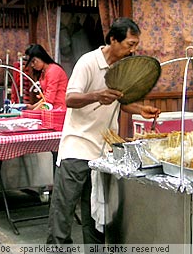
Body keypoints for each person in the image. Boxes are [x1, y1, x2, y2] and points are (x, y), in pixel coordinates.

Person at [46, 17, 160, 245]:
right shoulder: (88, 63)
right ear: (113, 40)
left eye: (136, 45)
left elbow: (120, 102)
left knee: (96, 213)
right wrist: (97, 95)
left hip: (104, 152)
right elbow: (70, 98)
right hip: (77, 148)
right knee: (63, 211)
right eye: (130, 44)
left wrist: (140, 109)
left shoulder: (122, 69)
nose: (133, 50)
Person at [24, 44, 68, 110]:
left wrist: (34, 111)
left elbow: (49, 99)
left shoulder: (54, 70)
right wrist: (33, 107)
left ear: (41, 57)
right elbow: (45, 97)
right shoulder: (44, 72)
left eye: (34, 61)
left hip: (59, 108)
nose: (32, 65)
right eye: (31, 63)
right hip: (52, 107)